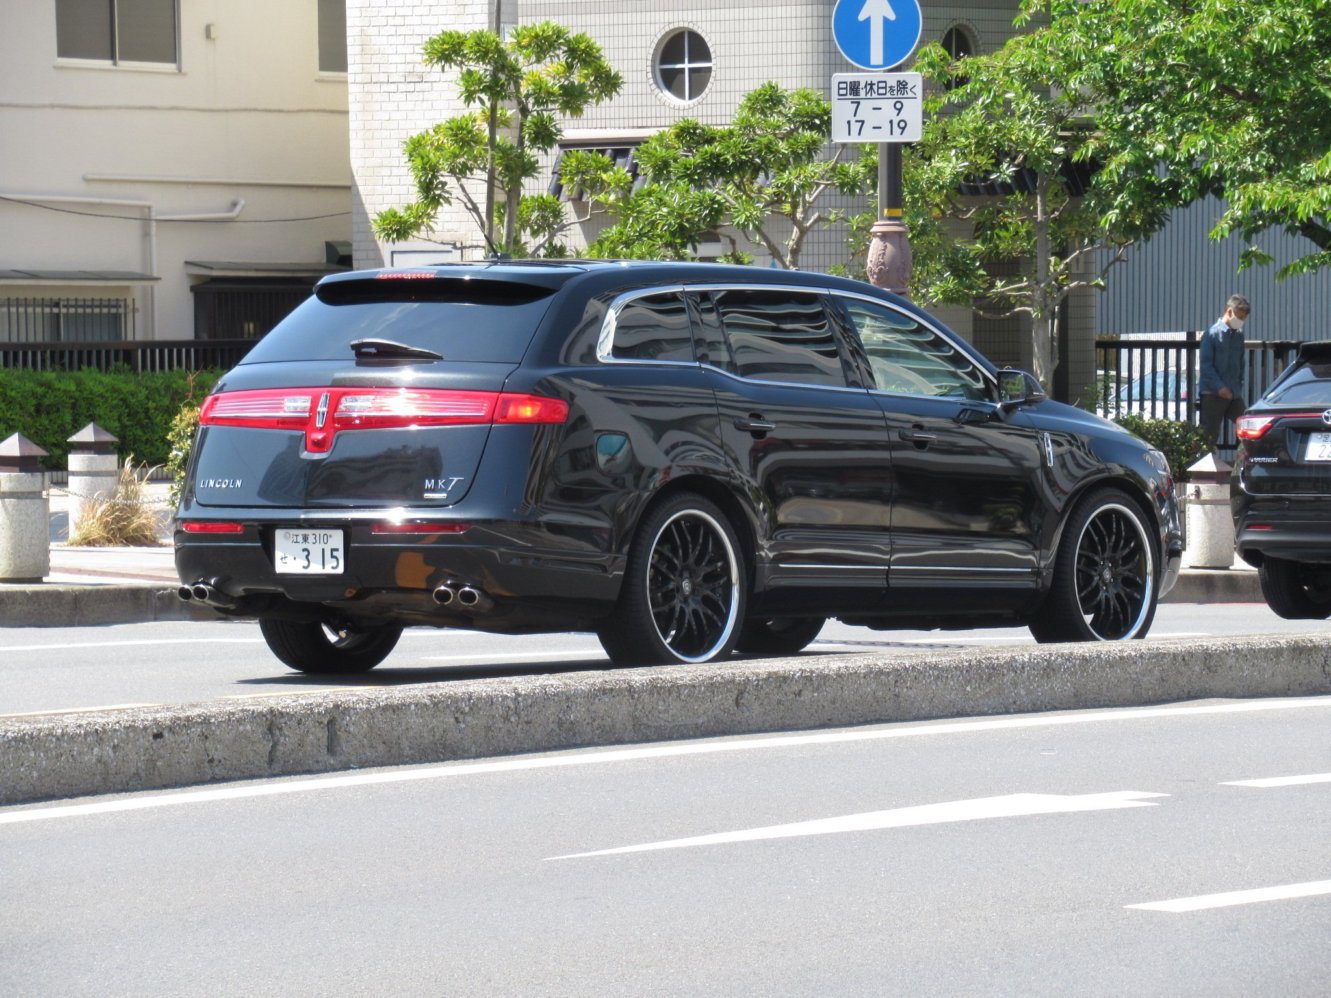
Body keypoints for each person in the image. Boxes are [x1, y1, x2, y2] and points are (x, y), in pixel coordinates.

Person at [1199, 294, 1249, 452]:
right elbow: (1206, 365)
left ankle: (1248, 461)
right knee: (1209, 435)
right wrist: (1219, 387)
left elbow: (1241, 363)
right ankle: (1203, 468)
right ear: (1229, 311)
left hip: (1233, 393)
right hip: (1213, 393)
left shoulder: (1239, 336)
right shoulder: (1211, 334)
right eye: (1239, 317)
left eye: (1243, 318)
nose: (1240, 321)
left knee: (1248, 425)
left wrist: (1237, 387)